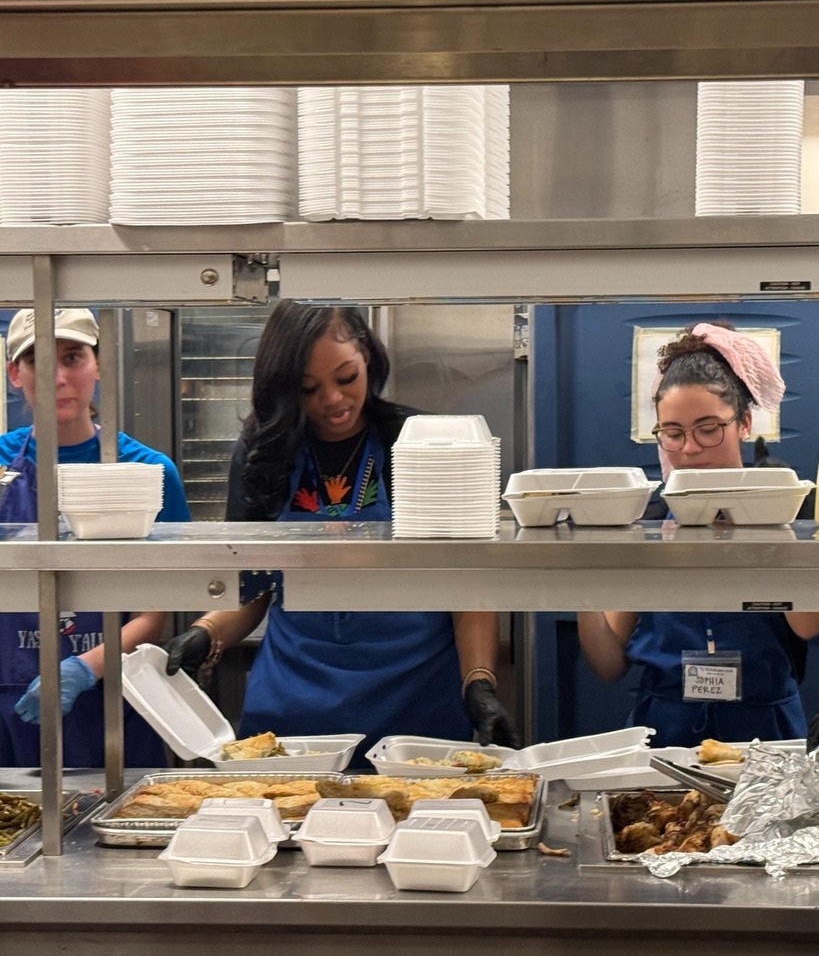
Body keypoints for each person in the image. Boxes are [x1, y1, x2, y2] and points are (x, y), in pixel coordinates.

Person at [165, 301, 517, 764]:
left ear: (368, 355)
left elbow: (467, 584)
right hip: (293, 708)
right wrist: (205, 632)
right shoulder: (265, 453)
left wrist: (479, 683)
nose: (332, 400)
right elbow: (251, 586)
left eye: (346, 377)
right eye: (308, 389)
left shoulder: (418, 442)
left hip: (414, 705)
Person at [577, 321, 819, 748]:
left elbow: (805, 626)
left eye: (708, 429)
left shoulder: (789, 513)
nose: (690, 449)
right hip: (665, 731)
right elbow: (608, 664)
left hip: (766, 733)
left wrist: (768, 522)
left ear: (744, 423)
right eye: (673, 433)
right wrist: (578, 583)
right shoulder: (647, 523)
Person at [0, 307, 191, 767]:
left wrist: (83, 667)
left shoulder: (148, 472)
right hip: (10, 703)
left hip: (115, 701)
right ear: (14, 374)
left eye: (72, 357)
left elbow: (155, 611)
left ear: (98, 365)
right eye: (40, 362)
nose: (59, 377)